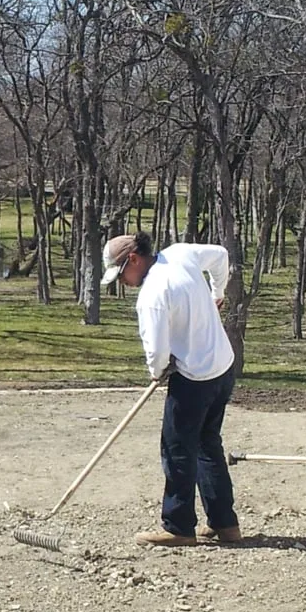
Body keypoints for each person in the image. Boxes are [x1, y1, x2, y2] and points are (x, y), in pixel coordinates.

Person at [101, 231, 241, 547]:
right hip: (223, 367)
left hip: (194, 379)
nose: (122, 282)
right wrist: (217, 292)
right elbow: (220, 255)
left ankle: (178, 526)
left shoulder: (151, 295)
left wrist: (157, 372)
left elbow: (156, 352)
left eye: (121, 274)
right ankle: (225, 524)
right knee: (208, 444)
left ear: (134, 259)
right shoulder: (180, 253)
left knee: (177, 450)